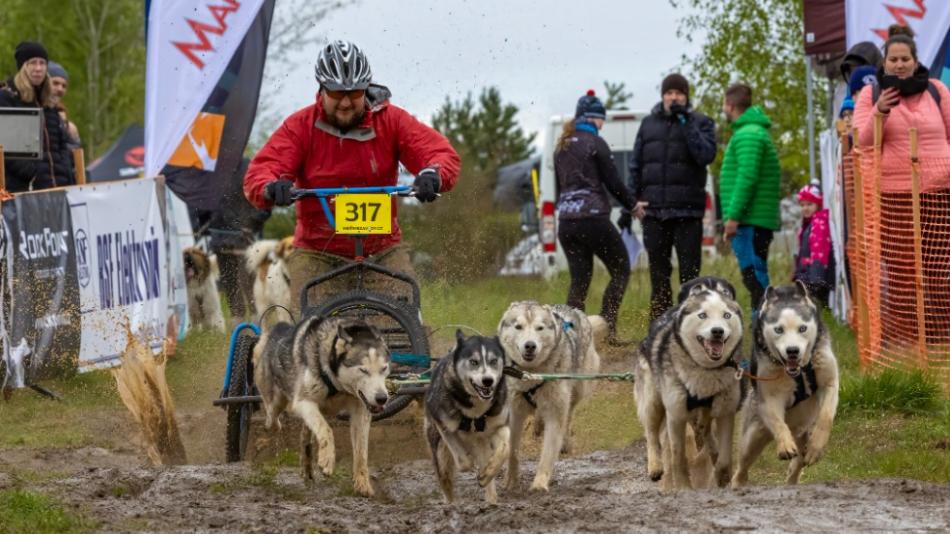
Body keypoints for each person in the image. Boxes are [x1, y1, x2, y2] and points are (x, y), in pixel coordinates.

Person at [244, 40, 460, 315]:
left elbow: (440, 153)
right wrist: (270, 187)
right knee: (312, 333)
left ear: (366, 88)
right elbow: (262, 169)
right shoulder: (300, 126)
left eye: (355, 92)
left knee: (406, 322)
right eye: (336, 93)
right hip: (317, 251)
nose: (346, 102)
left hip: (383, 249)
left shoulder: (391, 120)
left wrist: (433, 174)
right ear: (322, 90)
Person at [852, 24, 950, 344]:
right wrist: (880, 112)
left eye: (905, 58)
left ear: (915, 59)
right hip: (895, 195)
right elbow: (862, 141)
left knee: (940, 268)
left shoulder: (936, 90)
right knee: (904, 272)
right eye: (893, 59)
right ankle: (909, 339)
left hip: (939, 191)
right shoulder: (872, 94)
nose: (899, 64)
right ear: (884, 63)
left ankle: (940, 335)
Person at [626, 73, 717, 320]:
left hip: (688, 211)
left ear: (686, 97)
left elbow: (705, 155)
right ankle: (661, 325)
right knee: (659, 274)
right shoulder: (648, 124)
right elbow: (636, 164)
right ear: (663, 96)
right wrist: (631, 201)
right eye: (669, 93)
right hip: (654, 212)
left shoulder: (701, 122)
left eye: (678, 93)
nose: (673, 97)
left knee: (690, 276)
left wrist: (686, 122)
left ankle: (691, 323)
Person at [555, 90, 637, 344]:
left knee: (579, 280)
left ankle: (570, 338)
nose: (603, 124)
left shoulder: (562, 146)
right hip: (593, 219)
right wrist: (633, 205)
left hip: (567, 223)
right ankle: (607, 329)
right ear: (594, 118)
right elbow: (613, 183)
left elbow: (561, 188)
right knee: (621, 268)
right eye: (602, 119)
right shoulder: (595, 143)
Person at [719, 83, 781, 320]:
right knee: (754, 281)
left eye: (724, 104)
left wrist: (733, 217)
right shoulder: (751, 132)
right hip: (752, 219)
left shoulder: (748, 134)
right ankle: (763, 344)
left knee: (756, 281)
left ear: (730, 104)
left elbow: (747, 177)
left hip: (750, 221)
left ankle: (763, 347)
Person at [0, 41, 74, 192]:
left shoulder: (49, 102)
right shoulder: (7, 97)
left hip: (59, 189)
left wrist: (66, 174)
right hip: (24, 192)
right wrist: (33, 174)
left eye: (42, 63)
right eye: (32, 63)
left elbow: (62, 145)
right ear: (22, 66)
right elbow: (5, 147)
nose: (38, 68)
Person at [210, 158, 271, 323]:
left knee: (249, 280)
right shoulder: (214, 171)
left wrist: (250, 224)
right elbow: (207, 205)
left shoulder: (251, 167)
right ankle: (237, 323)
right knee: (229, 282)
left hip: (246, 238)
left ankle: (257, 320)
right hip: (220, 238)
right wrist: (203, 224)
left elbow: (265, 204)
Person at [793, 185, 834, 308]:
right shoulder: (807, 224)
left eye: (809, 204)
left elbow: (819, 251)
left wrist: (816, 279)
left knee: (816, 306)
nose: (805, 208)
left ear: (818, 204)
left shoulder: (818, 223)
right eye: (802, 205)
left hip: (814, 276)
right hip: (807, 273)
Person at [47, 61, 82, 151]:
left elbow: (75, 159)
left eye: (64, 86)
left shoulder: (69, 127)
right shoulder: (30, 114)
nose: (60, 89)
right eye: (55, 83)